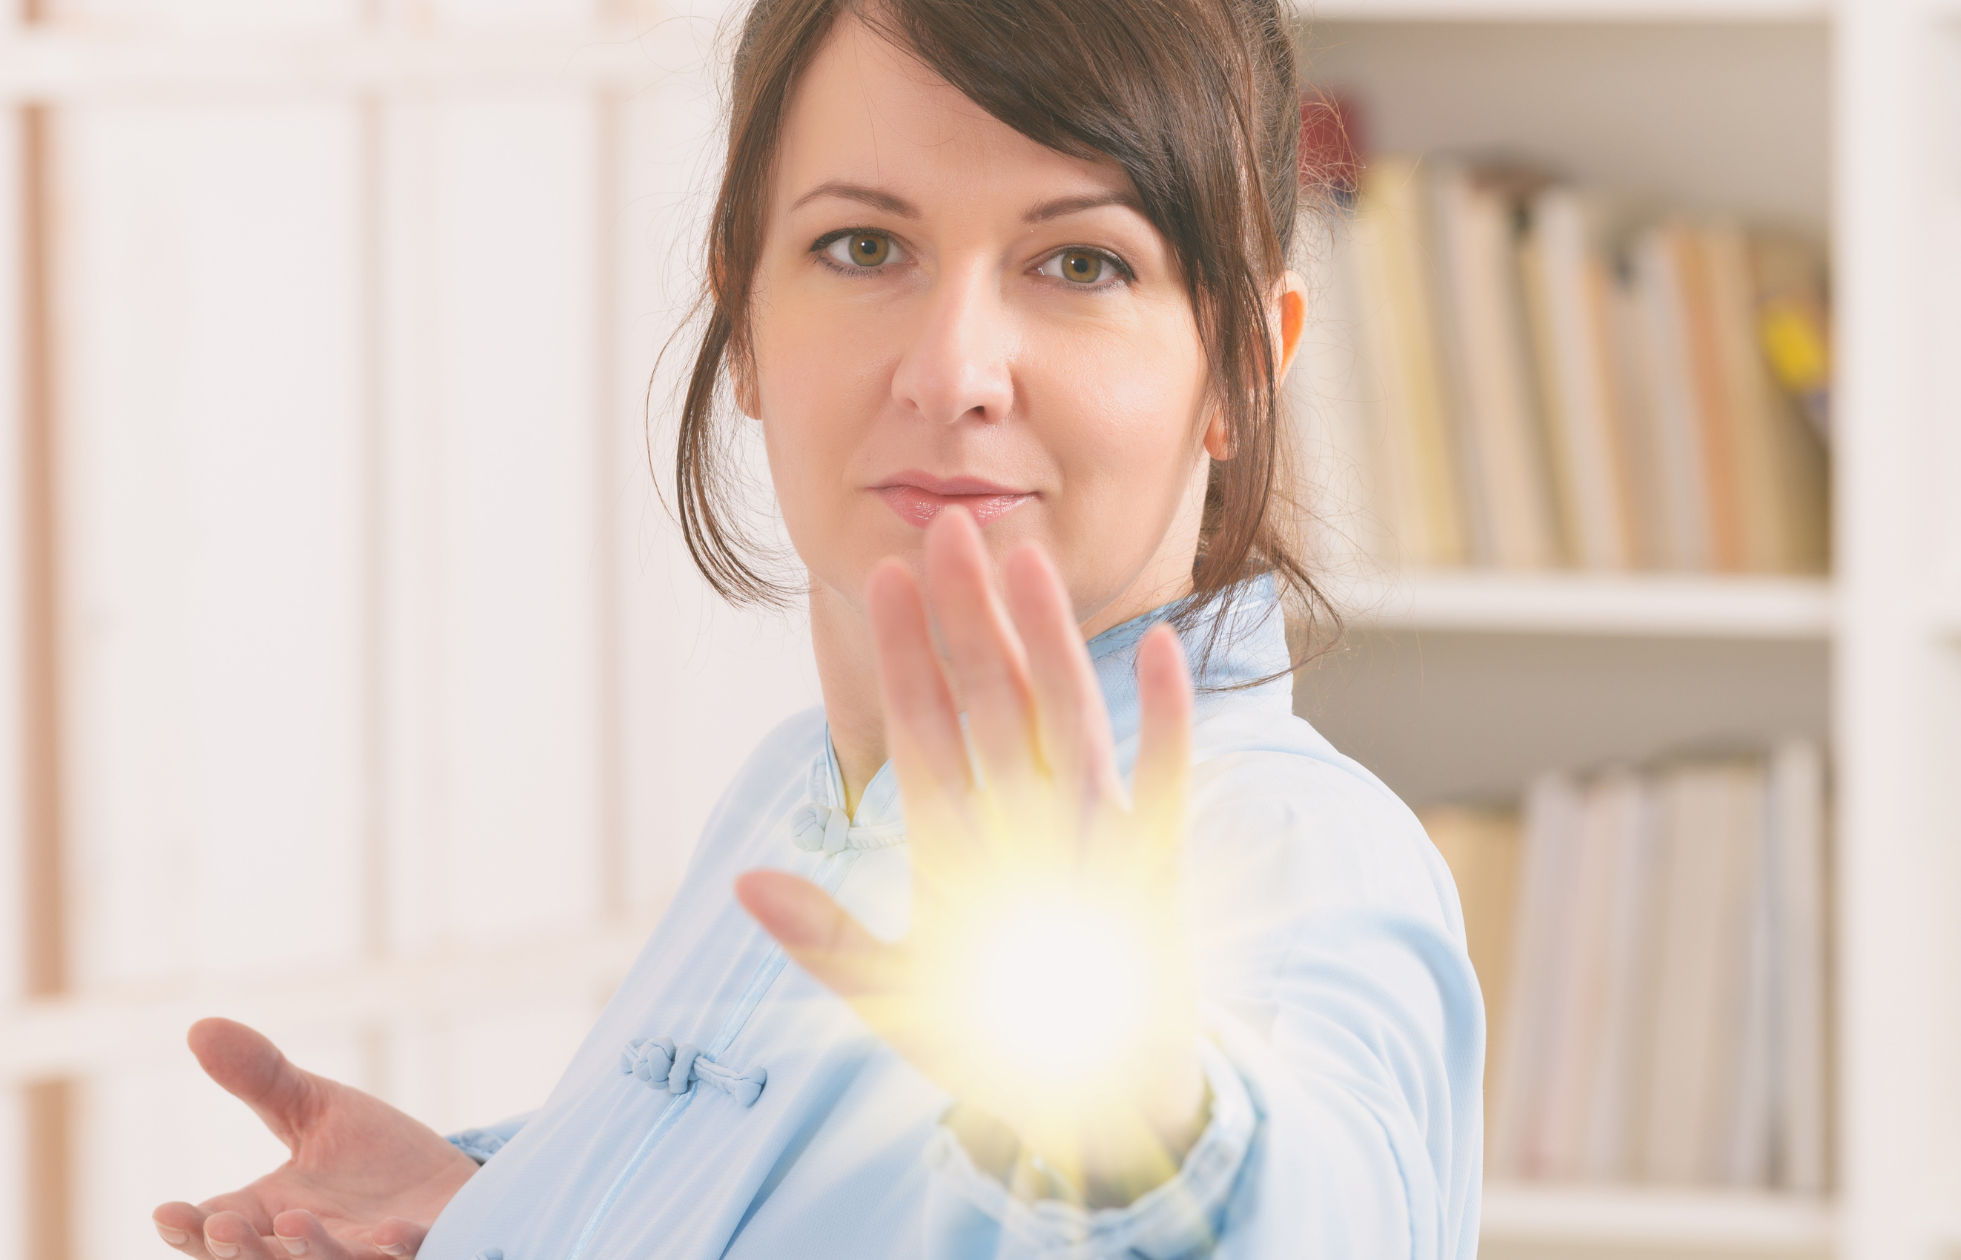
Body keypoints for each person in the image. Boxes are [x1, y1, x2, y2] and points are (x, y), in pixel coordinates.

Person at [149, 0, 1484, 1254]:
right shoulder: (802, 793)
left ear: (1245, 366)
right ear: (744, 317)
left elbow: (1297, 1204)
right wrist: (499, 1207)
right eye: (864, 247)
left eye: (1081, 262)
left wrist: (1152, 1143)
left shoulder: (1295, 864)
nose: (954, 369)